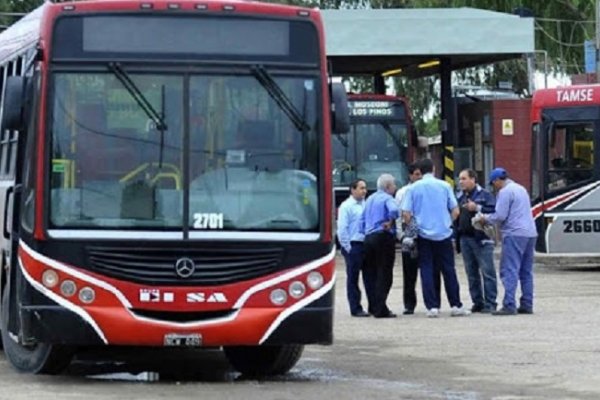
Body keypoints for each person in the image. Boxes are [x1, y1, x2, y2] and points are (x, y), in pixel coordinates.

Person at [402, 159, 469, 318]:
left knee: (426, 269)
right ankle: (455, 304)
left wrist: (414, 227)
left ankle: (432, 307)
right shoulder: (445, 186)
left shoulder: (413, 188)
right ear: (433, 169)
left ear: (421, 170)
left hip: (423, 235)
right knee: (448, 269)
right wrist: (447, 223)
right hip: (444, 234)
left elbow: (406, 213)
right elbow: (455, 210)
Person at [480, 167, 537, 316]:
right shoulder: (521, 188)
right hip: (530, 233)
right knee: (526, 271)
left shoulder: (504, 192)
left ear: (497, 180)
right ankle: (527, 303)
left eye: (493, 184)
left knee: (509, 269)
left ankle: (509, 304)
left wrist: (484, 218)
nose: (493, 187)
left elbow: (500, 215)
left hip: (514, 233)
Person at [456, 169, 497, 313]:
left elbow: (494, 212)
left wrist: (477, 208)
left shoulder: (484, 195)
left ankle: (491, 303)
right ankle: (477, 302)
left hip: (482, 239)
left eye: (464, 178)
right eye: (460, 179)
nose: (461, 182)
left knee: (487, 272)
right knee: (471, 273)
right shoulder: (460, 196)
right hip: (465, 238)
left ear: (473, 179)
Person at [359, 173, 399, 318]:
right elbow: (395, 210)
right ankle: (380, 308)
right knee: (385, 273)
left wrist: (365, 232)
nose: (395, 187)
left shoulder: (370, 199)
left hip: (368, 238)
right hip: (383, 236)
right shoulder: (387, 198)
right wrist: (390, 220)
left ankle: (373, 305)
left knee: (371, 273)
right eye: (394, 185)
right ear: (388, 186)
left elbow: (361, 220)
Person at [337, 179, 371, 317]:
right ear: (353, 189)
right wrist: (347, 247)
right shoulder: (347, 206)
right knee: (353, 278)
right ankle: (355, 308)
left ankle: (373, 305)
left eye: (365, 188)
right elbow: (342, 228)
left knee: (370, 277)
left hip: (367, 244)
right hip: (354, 244)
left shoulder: (367, 204)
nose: (364, 191)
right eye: (361, 188)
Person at [395, 163, 423, 315]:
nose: (419, 177)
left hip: (424, 235)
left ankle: (432, 302)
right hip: (408, 238)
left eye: (421, 174)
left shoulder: (426, 190)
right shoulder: (402, 193)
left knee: (429, 272)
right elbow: (398, 217)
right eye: (417, 174)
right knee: (409, 274)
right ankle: (409, 305)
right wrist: (401, 236)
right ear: (410, 176)